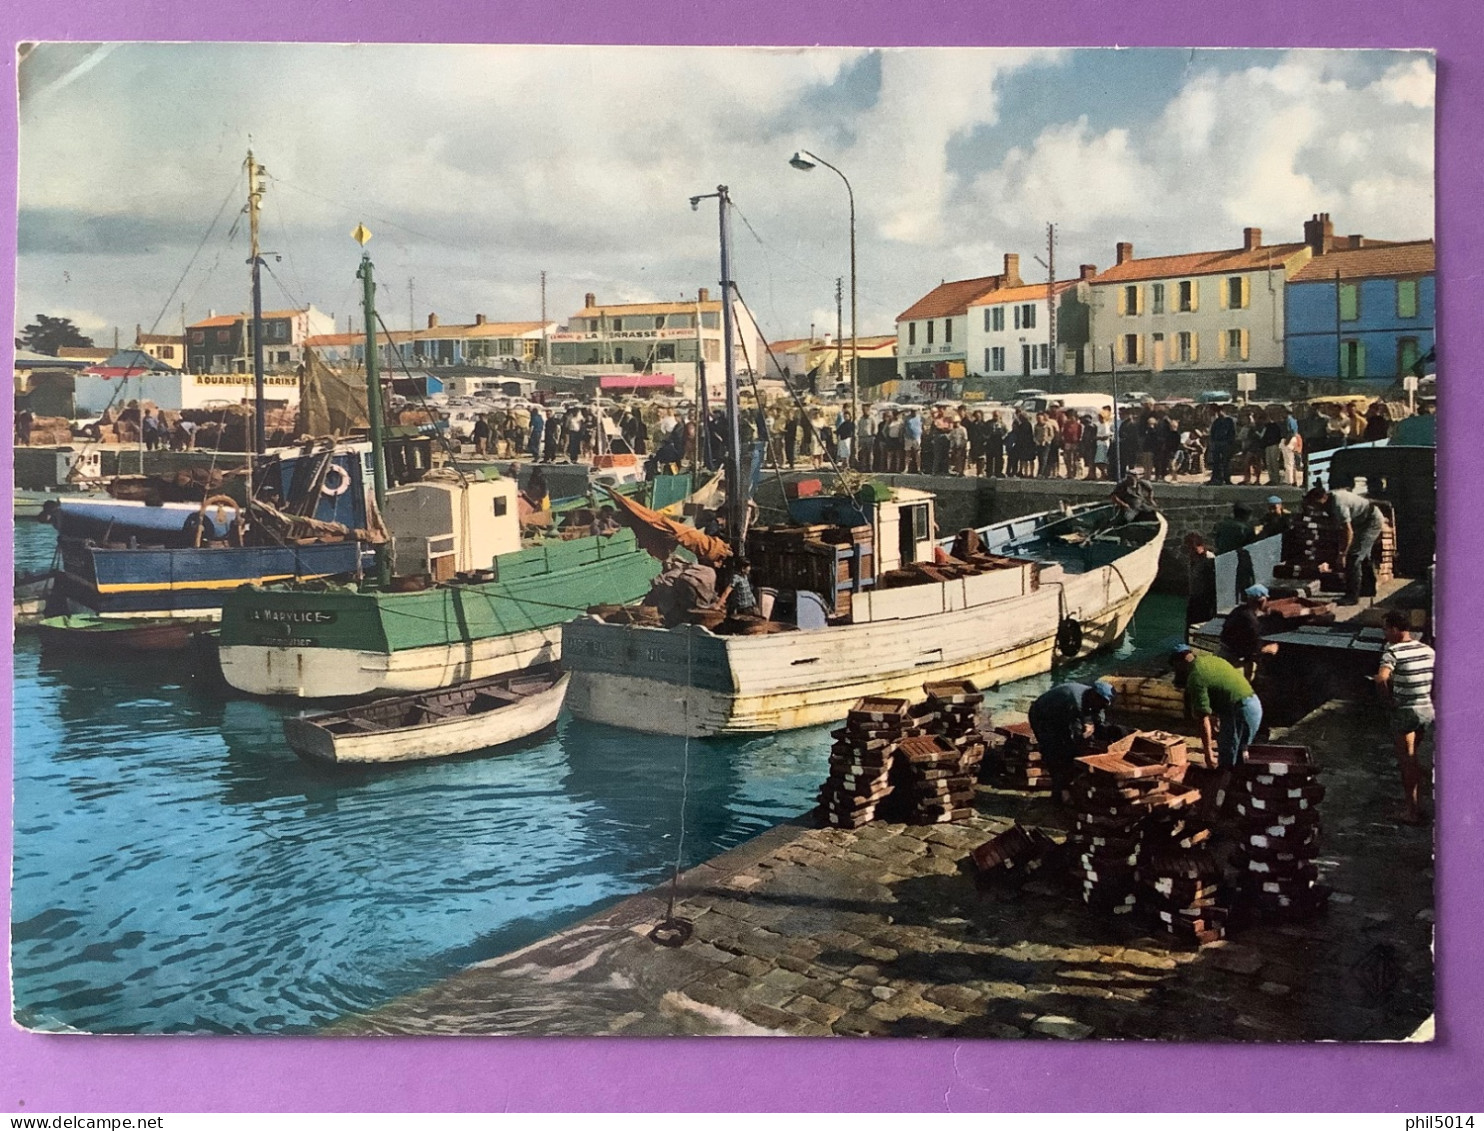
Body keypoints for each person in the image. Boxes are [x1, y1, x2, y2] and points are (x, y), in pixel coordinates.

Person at [1375, 608, 1435, 825]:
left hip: (1405, 711)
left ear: (1394, 629)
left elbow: (1381, 679)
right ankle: (1418, 803)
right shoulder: (1428, 650)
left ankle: (1412, 811)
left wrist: (1388, 701)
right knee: (1414, 757)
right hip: (1426, 709)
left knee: (1406, 762)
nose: (1384, 634)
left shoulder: (1392, 652)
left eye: (1385, 629)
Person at [1170, 644, 1262, 771]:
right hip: (1252, 704)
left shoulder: (1196, 678)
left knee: (1228, 762)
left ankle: (1226, 787)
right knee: (1238, 754)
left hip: (1240, 710)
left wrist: (1208, 755)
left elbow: (1203, 721)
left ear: (1178, 663)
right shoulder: (1212, 660)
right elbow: (1222, 687)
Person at [1027, 680, 1117, 797]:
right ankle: (1059, 791)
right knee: (1054, 750)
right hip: (1042, 716)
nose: (1102, 707)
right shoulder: (1075, 701)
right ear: (1095, 695)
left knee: (1068, 748)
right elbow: (1076, 734)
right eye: (1102, 703)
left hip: (1060, 715)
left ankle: (1065, 785)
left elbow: (1099, 718)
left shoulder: (1093, 699)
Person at [1305, 484, 1384, 606]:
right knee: (1362, 556)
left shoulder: (1338, 505)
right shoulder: (1330, 498)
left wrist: (1343, 554)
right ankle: (1368, 589)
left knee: (1353, 557)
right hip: (1360, 520)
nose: (1315, 507)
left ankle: (1352, 597)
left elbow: (1348, 531)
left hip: (1370, 521)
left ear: (1322, 498)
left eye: (1315, 504)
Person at [1219, 584, 1279, 680]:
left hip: (1223, 651)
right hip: (1233, 659)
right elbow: (1255, 644)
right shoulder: (1250, 620)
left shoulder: (1238, 611)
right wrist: (1268, 649)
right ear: (1262, 601)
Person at [1184, 532, 1219, 628]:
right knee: (1190, 624)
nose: (1190, 550)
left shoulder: (1209, 558)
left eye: (1192, 547)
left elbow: (1213, 580)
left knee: (1203, 623)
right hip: (1194, 596)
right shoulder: (1192, 558)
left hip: (1206, 598)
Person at [1207, 403, 1236, 485]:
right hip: (1217, 443)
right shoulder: (1216, 422)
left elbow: (1232, 433)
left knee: (1226, 462)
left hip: (1225, 443)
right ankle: (1216, 478)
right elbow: (1213, 433)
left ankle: (1226, 479)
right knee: (1216, 462)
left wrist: (1230, 443)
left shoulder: (1229, 421)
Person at [903, 409, 923, 474]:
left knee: (918, 453)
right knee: (907, 453)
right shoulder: (907, 418)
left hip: (917, 437)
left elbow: (922, 426)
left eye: (914, 411)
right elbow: (904, 427)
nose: (913, 412)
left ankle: (919, 469)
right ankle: (906, 468)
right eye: (912, 411)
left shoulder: (920, 418)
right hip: (908, 438)